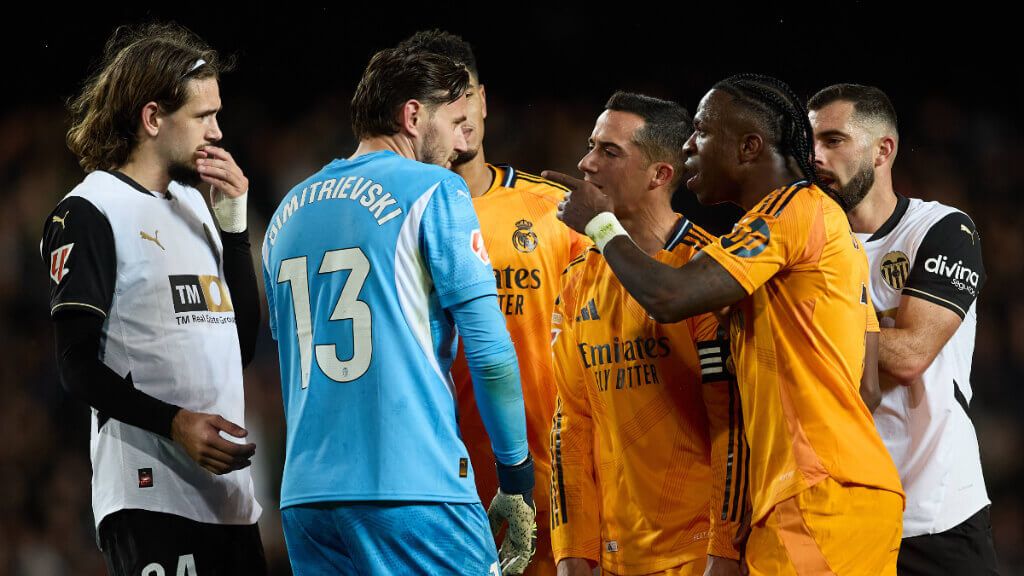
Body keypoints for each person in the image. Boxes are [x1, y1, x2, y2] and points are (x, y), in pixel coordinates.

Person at [550, 74, 903, 575]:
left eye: (702, 131)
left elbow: (670, 297)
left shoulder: (787, 211)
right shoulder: (825, 231)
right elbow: (865, 386)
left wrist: (600, 225)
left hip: (813, 496)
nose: (691, 144)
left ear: (748, 146)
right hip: (839, 493)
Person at [261, 45, 536, 575]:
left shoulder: (285, 212)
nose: (463, 140)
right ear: (412, 117)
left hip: (306, 498)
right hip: (414, 488)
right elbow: (491, 352)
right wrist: (515, 477)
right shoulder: (435, 190)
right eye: (454, 121)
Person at [41, 22, 265, 575]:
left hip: (231, 503)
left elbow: (240, 349)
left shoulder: (196, 207)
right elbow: (76, 367)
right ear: (152, 118)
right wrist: (174, 423)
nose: (217, 131)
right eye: (203, 116)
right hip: (150, 499)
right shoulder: (90, 210)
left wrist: (234, 231)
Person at [396, 30, 589, 575]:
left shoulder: (556, 213)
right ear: (416, 116)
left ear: (484, 99)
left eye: (467, 95)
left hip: (555, 479)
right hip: (438, 478)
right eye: (442, 102)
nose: (460, 114)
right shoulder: (397, 219)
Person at [548, 91, 742, 576]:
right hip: (612, 558)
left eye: (609, 152)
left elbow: (733, 425)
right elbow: (570, 425)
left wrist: (725, 551)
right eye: (592, 145)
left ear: (660, 175)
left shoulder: (710, 272)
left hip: (697, 556)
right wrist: (575, 550)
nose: (586, 163)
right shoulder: (577, 279)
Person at [808, 83, 998, 575]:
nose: (815, 156)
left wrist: (807, 322)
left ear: (883, 149)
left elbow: (911, 356)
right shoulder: (805, 247)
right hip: (841, 512)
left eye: (833, 140)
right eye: (809, 143)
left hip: (934, 512)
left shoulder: (941, 230)